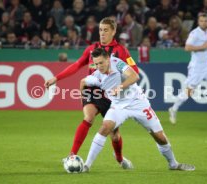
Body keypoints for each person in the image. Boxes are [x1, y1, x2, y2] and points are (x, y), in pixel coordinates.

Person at [44, 17, 139, 169]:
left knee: (114, 134)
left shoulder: (121, 51)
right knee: (88, 118)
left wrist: (120, 86)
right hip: (92, 91)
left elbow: (135, 72)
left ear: (113, 31)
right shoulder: (91, 49)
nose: (102, 33)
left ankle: (120, 159)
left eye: (106, 30)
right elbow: (76, 65)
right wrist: (56, 78)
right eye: (100, 30)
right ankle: (71, 155)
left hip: (110, 96)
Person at [80, 48, 195, 172]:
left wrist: (120, 87)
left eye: (101, 63)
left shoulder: (117, 63)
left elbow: (134, 76)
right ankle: (87, 165)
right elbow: (82, 82)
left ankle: (173, 164)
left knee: (160, 137)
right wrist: (84, 101)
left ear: (108, 59)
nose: (99, 67)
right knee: (104, 128)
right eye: (96, 64)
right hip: (118, 106)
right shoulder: (96, 76)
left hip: (138, 103)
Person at [168, 13, 207, 125]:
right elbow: (187, 48)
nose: (204, 22)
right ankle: (173, 109)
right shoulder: (194, 33)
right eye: (201, 21)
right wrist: (201, 47)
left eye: (205, 20)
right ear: (198, 22)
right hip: (196, 68)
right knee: (189, 92)